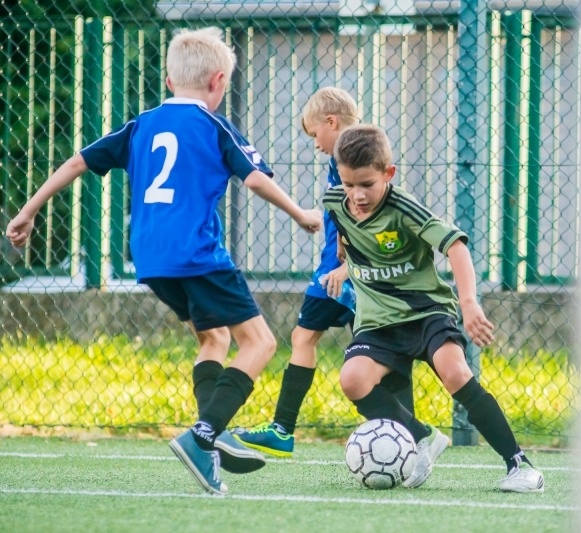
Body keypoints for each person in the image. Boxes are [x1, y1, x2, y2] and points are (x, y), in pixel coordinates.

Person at [5, 27, 322, 496]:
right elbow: (253, 180)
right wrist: (302, 214)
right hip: (198, 253)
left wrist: (27, 210)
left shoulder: (140, 124)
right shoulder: (215, 125)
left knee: (213, 338)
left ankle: (206, 445)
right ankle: (205, 435)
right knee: (259, 344)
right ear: (218, 82)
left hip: (150, 258)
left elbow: (76, 162)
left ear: (170, 81)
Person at [321, 124, 544, 492]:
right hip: (377, 322)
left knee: (455, 372)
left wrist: (469, 303)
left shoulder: (405, 208)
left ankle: (519, 465)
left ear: (388, 174)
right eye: (348, 184)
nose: (356, 195)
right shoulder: (334, 203)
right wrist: (345, 266)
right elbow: (356, 242)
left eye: (366, 184)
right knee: (353, 379)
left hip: (426, 312)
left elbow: (456, 246)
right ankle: (422, 437)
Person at [233, 87, 415, 458]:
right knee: (357, 346)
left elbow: (362, 219)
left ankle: (285, 429)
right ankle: (404, 433)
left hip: (340, 271)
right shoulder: (358, 152)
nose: (316, 144)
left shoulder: (345, 154)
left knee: (311, 339)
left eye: (315, 134)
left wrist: (346, 265)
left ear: (331, 123)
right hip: (346, 268)